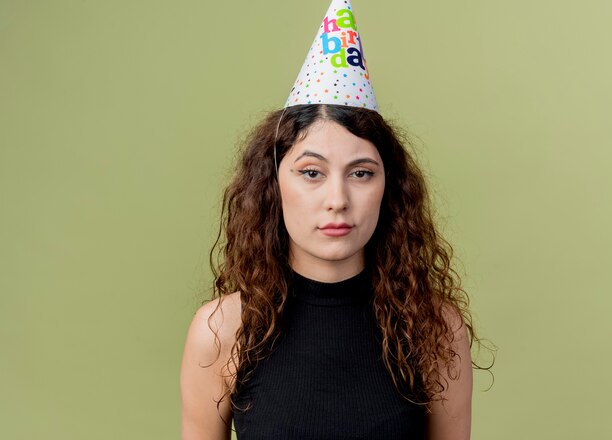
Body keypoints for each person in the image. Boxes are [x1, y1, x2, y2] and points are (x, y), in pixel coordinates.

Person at [180, 1, 489, 439]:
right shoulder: (222, 331)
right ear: (273, 185)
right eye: (311, 173)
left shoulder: (433, 330)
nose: (337, 200)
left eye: (361, 173)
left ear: (390, 188)